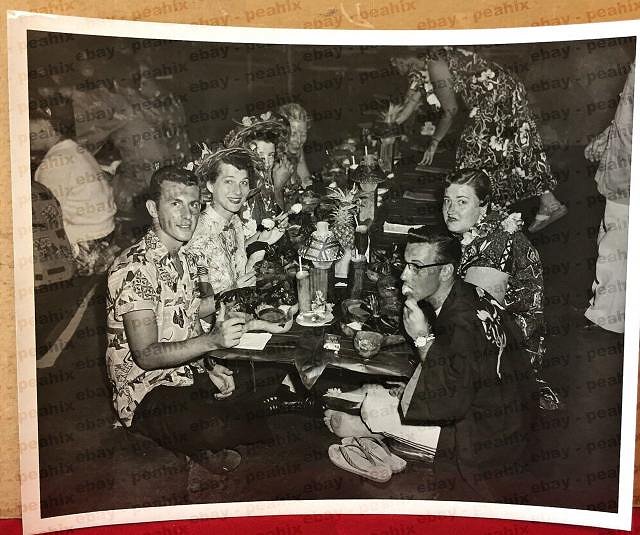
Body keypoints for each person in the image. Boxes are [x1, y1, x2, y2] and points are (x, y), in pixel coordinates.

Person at [325, 227, 536, 501]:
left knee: (373, 407)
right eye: (405, 264)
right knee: (386, 391)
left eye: (416, 267)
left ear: (446, 271)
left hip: (485, 442)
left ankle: (372, 432)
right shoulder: (470, 293)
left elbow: (449, 402)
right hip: (511, 419)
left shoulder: (461, 324)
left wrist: (421, 338)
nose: (404, 275)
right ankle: (376, 432)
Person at [106, 165, 275, 474]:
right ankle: (186, 442)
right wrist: (212, 342)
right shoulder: (134, 268)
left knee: (258, 379)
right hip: (146, 392)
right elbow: (146, 355)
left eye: (194, 205)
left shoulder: (183, 258)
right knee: (218, 425)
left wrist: (210, 366)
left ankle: (204, 437)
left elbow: (190, 314)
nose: (187, 215)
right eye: (176, 203)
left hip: (184, 374)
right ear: (153, 209)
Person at [390, 47, 567, 233]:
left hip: (497, 95)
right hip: (502, 92)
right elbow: (406, 107)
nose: (395, 67)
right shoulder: (421, 71)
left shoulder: (434, 63)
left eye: (396, 62)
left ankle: (483, 223)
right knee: (515, 148)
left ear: (407, 57)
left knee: (472, 159)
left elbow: (450, 111)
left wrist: (434, 143)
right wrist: (390, 124)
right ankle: (548, 203)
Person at [442, 168, 560, 410]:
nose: (450, 210)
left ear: (483, 206)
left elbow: (476, 327)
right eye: (447, 201)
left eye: (462, 202)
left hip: (507, 361)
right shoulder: (486, 230)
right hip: (494, 343)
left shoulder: (496, 245)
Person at [31, 101, 119, 276]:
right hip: (105, 235)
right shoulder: (76, 150)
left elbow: (45, 219)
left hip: (86, 247)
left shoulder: (53, 164)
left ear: (44, 125)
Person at [582, 63, 633, 334]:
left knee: (615, 248)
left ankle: (607, 320)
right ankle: (605, 310)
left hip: (627, 174)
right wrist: (606, 137)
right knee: (610, 240)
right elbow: (627, 111)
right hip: (620, 165)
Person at [223, 112, 292, 235]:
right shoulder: (244, 187)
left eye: (271, 155)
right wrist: (278, 187)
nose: (267, 163)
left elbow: (277, 219)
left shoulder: (268, 179)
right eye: (260, 156)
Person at [277, 103, 314, 192]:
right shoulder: (272, 156)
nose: (299, 140)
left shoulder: (297, 149)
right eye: (293, 134)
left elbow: (306, 181)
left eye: (303, 134)